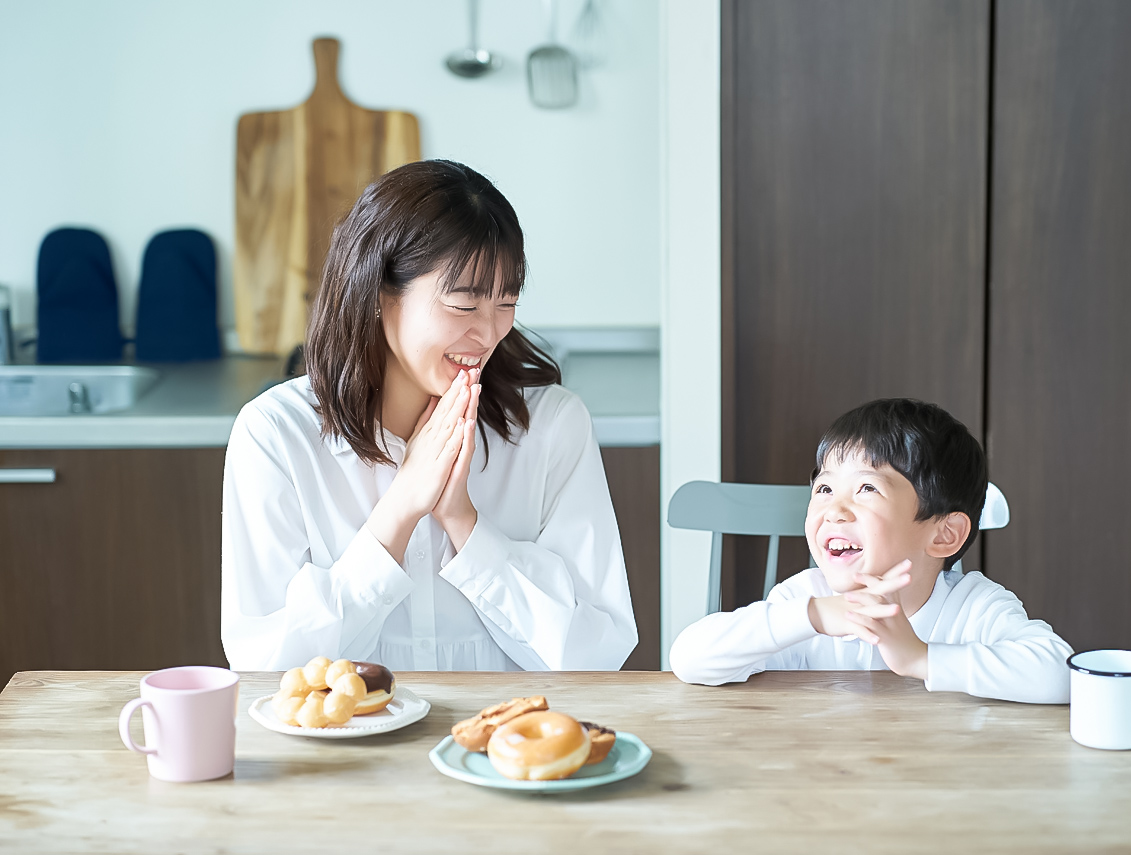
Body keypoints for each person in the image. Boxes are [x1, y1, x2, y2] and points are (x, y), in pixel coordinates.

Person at [221, 159, 638, 672]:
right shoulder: (274, 434)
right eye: (463, 307)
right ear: (378, 293)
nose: (488, 334)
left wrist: (464, 522)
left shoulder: (552, 425)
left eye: (505, 303)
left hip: (505, 748)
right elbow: (265, 667)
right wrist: (399, 511)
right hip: (347, 752)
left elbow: (598, 654)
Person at [669, 398, 1071, 703]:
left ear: (945, 534)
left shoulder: (972, 607)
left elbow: (1062, 675)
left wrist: (919, 658)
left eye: (866, 488)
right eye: (824, 488)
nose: (834, 510)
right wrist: (815, 615)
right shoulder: (807, 600)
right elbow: (689, 658)